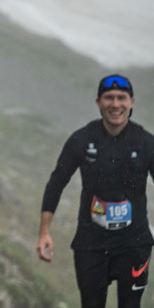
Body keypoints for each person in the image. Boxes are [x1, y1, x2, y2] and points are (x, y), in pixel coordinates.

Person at [37, 74, 154, 308]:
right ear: (98, 102)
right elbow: (56, 183)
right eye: (108, 98)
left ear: (132, 102)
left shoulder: (146, 143)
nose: (115, 104)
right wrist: (44, 232)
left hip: (134, 243)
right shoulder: (81, 140)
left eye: (121, 98)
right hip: (90, 243)